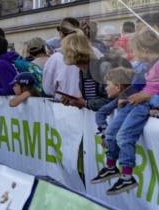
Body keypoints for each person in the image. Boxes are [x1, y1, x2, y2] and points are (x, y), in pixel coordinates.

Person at [91, 30, 159, 195]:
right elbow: (138, 84)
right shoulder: (145, 66)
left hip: (143, 105)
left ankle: (127, 175)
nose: (133, 55)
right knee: (112, 133)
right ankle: (110, 166)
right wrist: (124, 96)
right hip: (134, 102)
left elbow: (149, 92)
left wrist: (149, 100)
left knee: (124, 136)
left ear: (145, 50)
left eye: (135, 51)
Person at [57, 33, 106, 109]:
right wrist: (73, 102)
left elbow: (111, 100)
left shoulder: (99, 69)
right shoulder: (82, 71)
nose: (63, 54)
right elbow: (89, 101)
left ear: (72, 52)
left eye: (64, 50)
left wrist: (85, 103)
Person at [41, 20, 81, 99]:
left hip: (63, 106)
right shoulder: (94, 52)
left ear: (61, 34)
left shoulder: (56, 58)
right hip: (87, 106)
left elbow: (48, 89)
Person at [94, 67, 135, 135]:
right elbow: (100, 113)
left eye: (108, 85)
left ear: (118, 87)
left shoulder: (133, 100)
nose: (106, 89)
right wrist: (104, 130)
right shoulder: (117, 100)